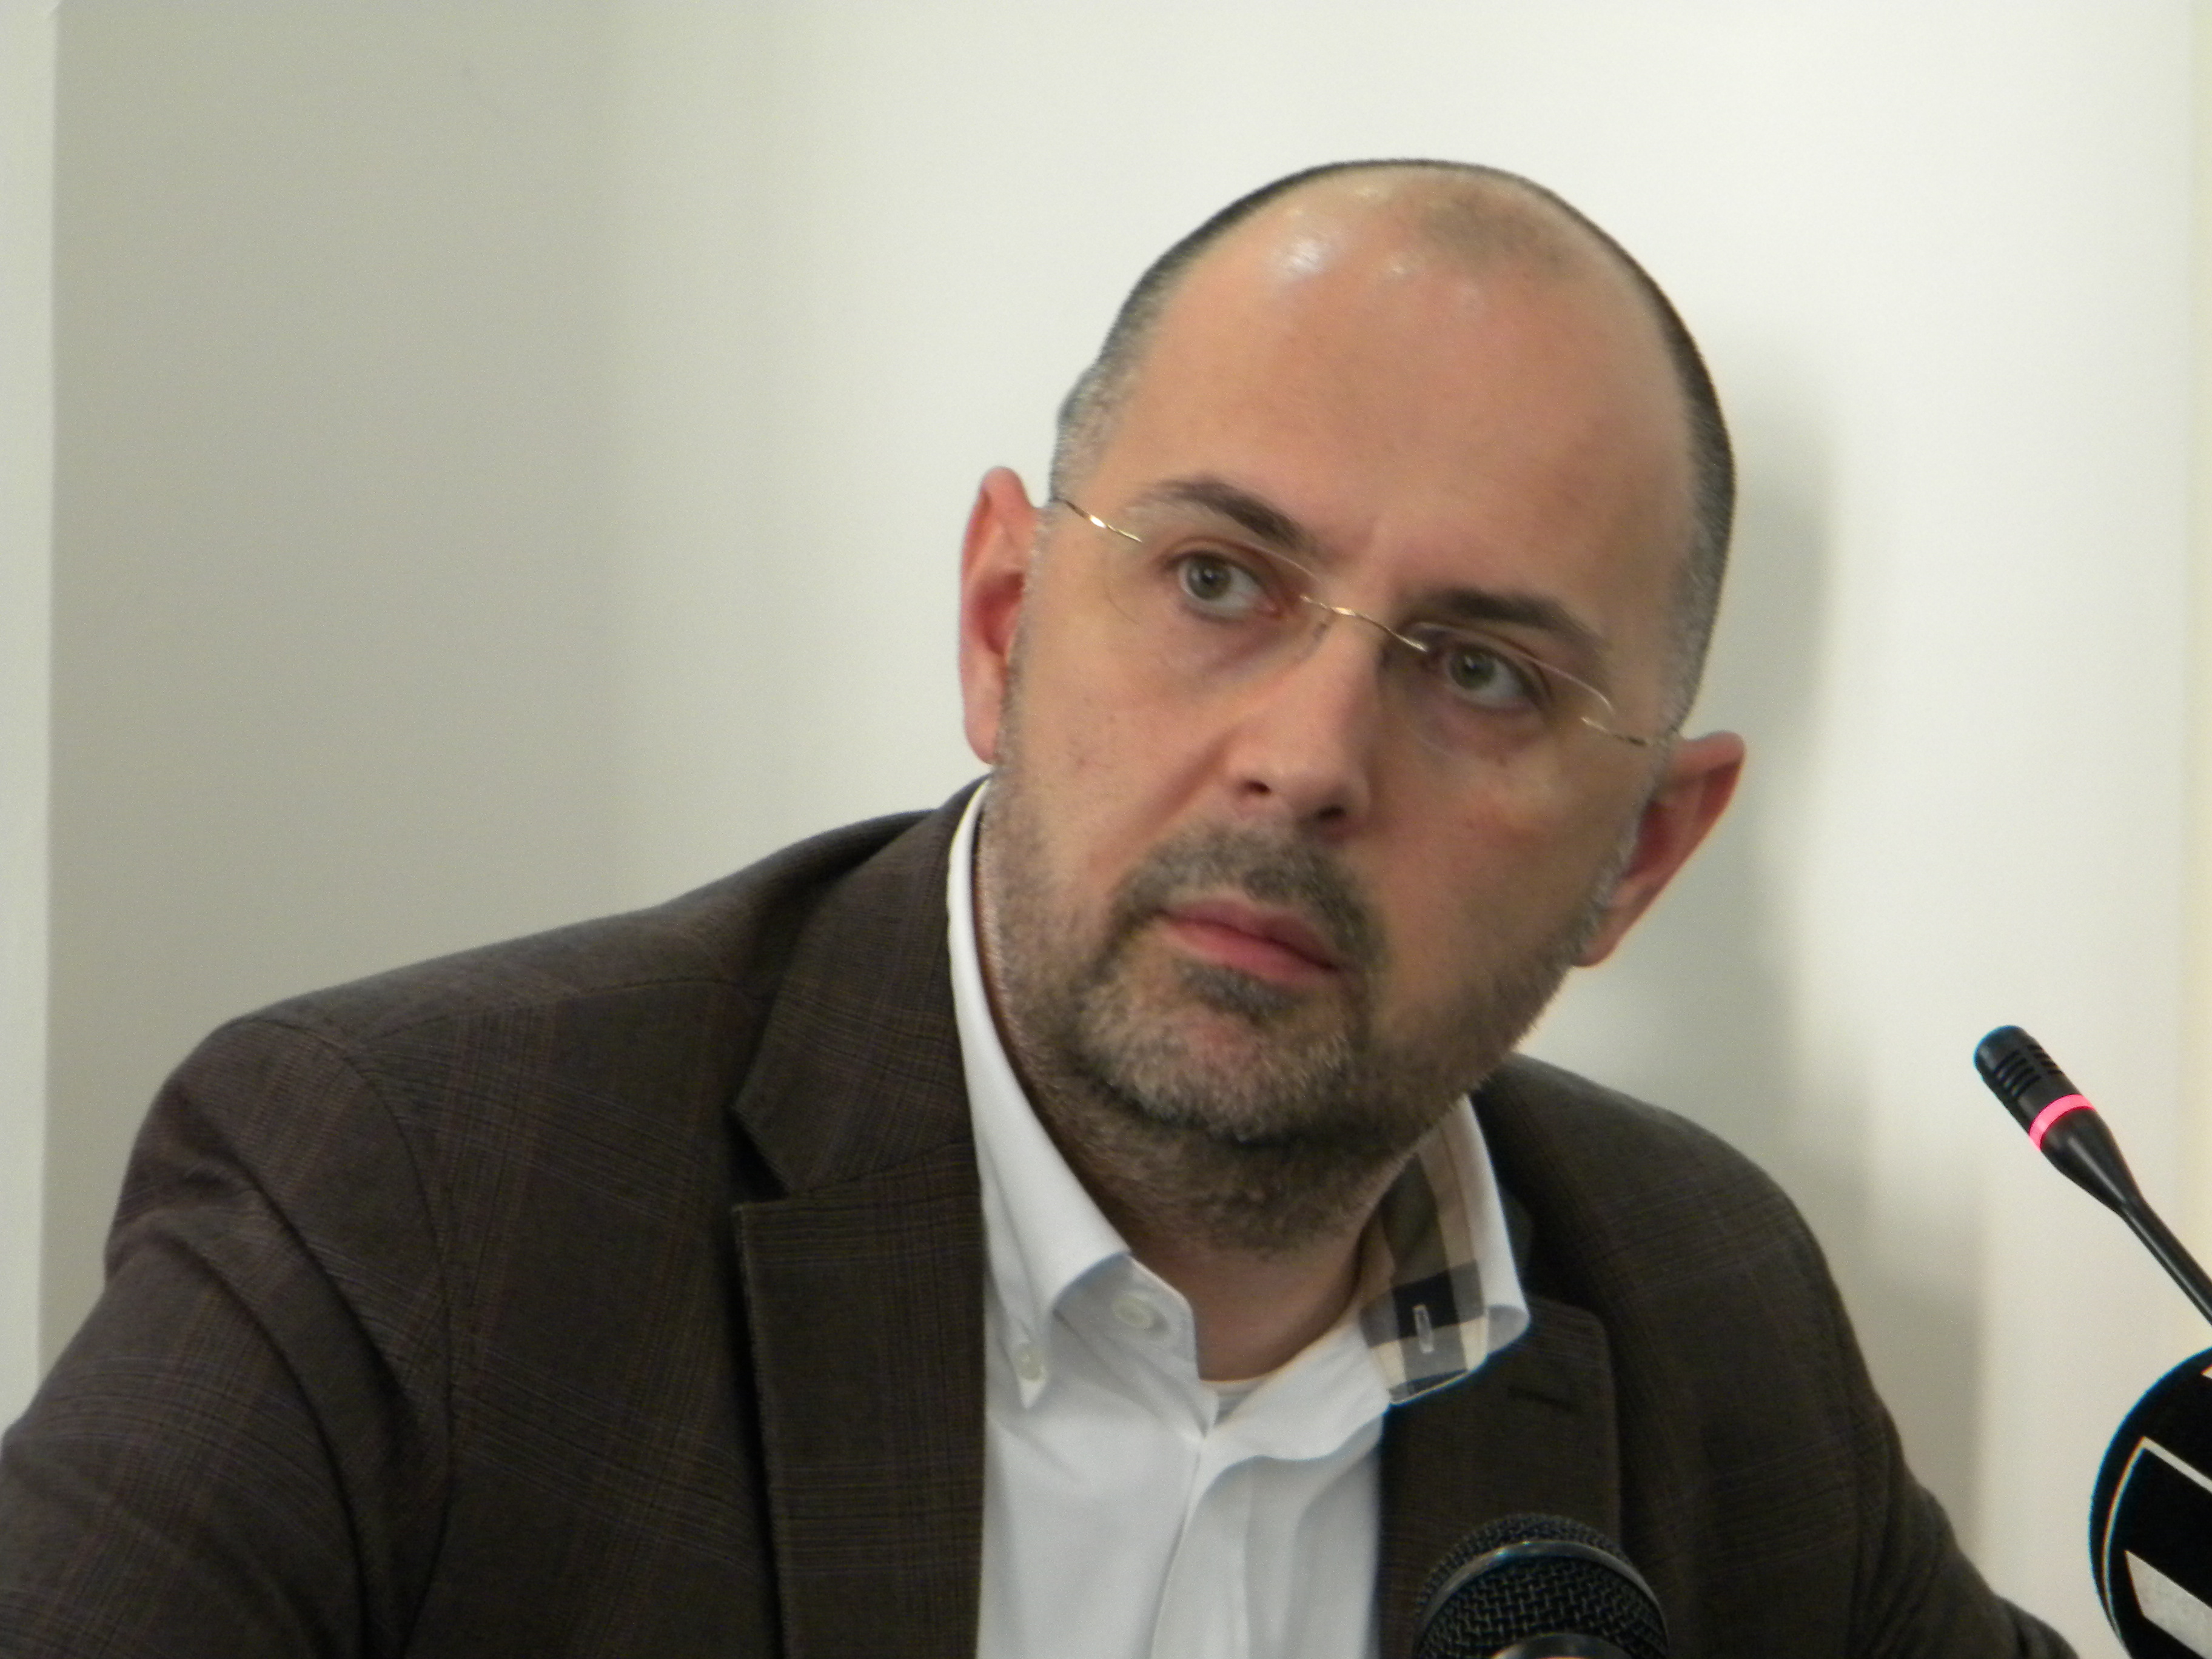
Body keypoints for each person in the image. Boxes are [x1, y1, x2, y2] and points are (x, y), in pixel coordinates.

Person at [0, 161, 2069, 1658]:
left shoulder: (1707, 1310)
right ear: (1004, 622)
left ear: (1643, 855)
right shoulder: (421, 1205)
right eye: (1218, 581)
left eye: (1482, 673)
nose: (1307, 758)